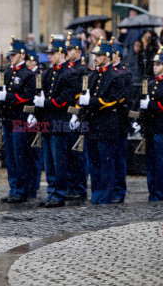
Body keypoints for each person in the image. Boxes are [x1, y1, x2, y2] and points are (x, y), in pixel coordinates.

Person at [72, 37, 124, 204]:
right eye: (95, 55)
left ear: (108, 57)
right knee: (94, 163)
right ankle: (96, 194)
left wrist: (92, 102)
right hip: (92, 125)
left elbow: (113, 101)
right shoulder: (92, 76)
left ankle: (106, 195)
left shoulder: (115, 76)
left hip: (106, 125)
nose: (96, 58)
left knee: (106, 163)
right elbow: (84, 96)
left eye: (100, 55)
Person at [31, 36, 78, 207]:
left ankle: (59, 193)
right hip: (47, 122)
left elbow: (65, 100)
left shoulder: (68, 73)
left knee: (59, 161)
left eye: (52, 54)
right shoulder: (49, 73)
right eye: (48, 54)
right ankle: (52, 191)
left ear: (61, 54)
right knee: (49, 162)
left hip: (60, 121)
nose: (49, 57)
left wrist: (45, 103)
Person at [0, 37, 37, 203]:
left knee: (20, 155)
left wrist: (7, 96)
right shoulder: (8, 73)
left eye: (14, 54)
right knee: (10, 156)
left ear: (22, 55)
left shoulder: (28, 75)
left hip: (20, 120)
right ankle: (14, 187)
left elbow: (26, 97)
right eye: (10, 54)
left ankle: (23, 189)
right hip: (8, 120)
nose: (11, 57)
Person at [139, 52, 163, 201]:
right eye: (154, 64)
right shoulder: (150, 83)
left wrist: (150, 105)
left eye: (158, 64)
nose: (154, 67)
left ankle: (160, 194)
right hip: (151, 128)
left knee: (161, 163)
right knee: (150, 163)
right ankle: (152, 193)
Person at [65, 33, 89, 200]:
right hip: (65, 115)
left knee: (78, 153)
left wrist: (77, 113)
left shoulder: (82, 70)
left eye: (71, 49)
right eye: (67, 49)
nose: (68, 52)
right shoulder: (67, 68)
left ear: (79, 52)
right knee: (68, 153)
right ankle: (71, 185)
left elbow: (82, 93)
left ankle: (79, 187)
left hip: (77, 116)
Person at [110, 38, 133, 203]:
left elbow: (124, 98)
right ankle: (109, 189)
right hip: (106, 123)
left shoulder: (124, 73)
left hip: (118, 121)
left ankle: (118, 190)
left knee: (118, 158)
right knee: (108, 158)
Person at [26, 49, 44, 192]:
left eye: (28, 60)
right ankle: (31, 183)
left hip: (37, 116)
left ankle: (34, 183)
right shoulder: (31, 75)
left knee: (35, 153)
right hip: (31, 116)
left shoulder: (38, 75)